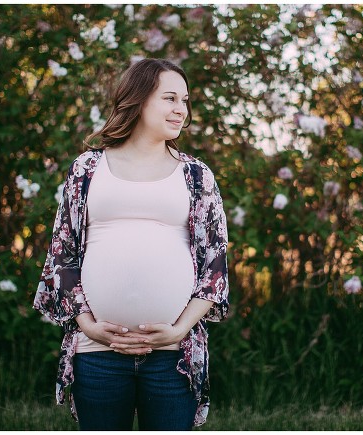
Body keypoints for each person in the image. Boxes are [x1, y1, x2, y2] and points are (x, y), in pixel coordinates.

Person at [33, 58, 229, 430]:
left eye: (185, 101)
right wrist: (87, 325)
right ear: (139, 100)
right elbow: (63, 253)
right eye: (170, 98)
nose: (181, 110)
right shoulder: (88, 169)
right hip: (98, 352)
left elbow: (214, 266)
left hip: (173, 355)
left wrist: (180, 329)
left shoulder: (196, 175)